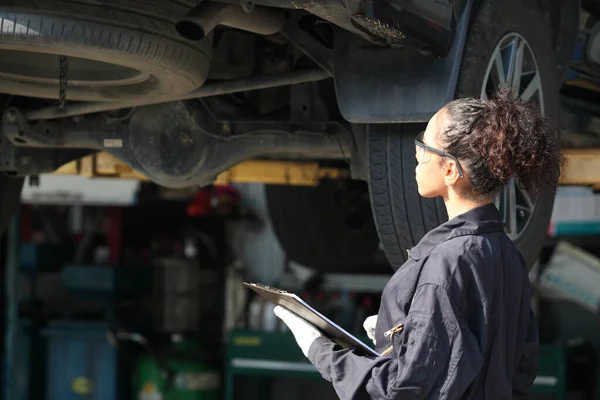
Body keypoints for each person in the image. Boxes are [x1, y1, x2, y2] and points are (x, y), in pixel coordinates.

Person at [273, 85, 563, 399]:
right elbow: (519, 366)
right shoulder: (507, 254)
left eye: (425, 145)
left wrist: (319, 349)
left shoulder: (448, 263)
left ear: (451, 169)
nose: (417, 153)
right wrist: (400, 336)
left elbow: (400, 390)